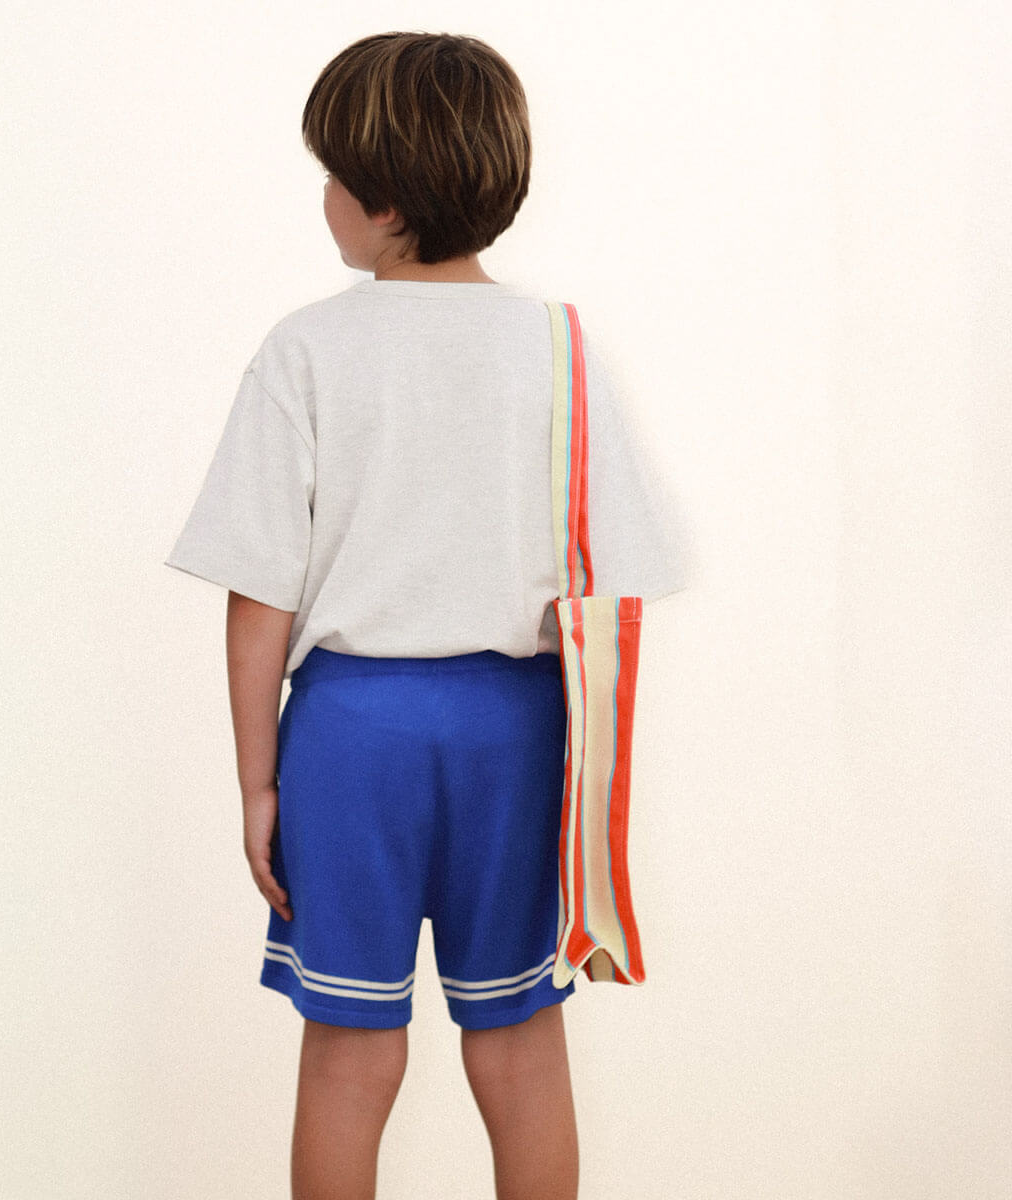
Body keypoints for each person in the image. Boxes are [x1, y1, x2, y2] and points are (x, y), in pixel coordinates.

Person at [164, 30, 690, 1200]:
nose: (323, 195)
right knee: (520, 1047)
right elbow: (610, 591)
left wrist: (258, 783)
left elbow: (260, 596)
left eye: (333, 173)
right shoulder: (561, 346)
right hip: (517, 729)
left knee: (351, 1055)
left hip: (352, 733)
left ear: (385, 202)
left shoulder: (306, 349)